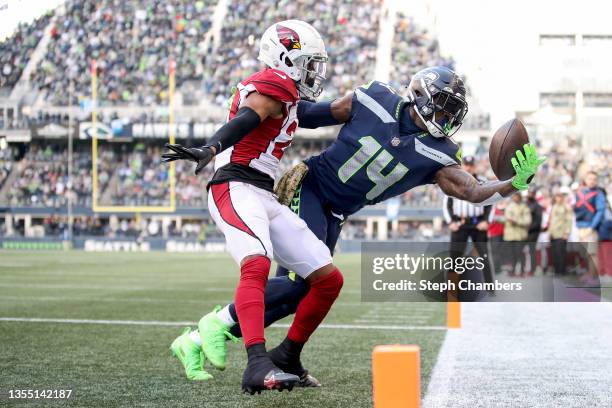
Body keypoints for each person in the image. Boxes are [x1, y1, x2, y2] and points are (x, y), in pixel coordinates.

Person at [190, 67, 546, 382]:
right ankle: (240, 333)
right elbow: (308, 115)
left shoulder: (440, 154)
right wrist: (264, 114)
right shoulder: (374, 98)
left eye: (453, 110)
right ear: (420, 94)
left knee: (310, 288)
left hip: (338, 212)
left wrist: (512, 186)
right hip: (311, 188)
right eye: (442, 104)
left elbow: (471, 190)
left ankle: (253, 344)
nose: (446, 115)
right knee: (305, 284)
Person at [163, 20, 344, 394]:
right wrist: (210, 148)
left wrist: (368, 103)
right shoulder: (272, 84)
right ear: (285, 58)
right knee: (257, 264)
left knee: (328, 279)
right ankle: (257, 364)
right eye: (309, 63)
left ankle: (286, 355)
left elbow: (328, 112)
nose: (315, 71)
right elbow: (249, 117)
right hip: (234, 184)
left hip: (262, 191)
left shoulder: (291, 97)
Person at [443, 155, 494, 291]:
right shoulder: (453, 182)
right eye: (466, 164)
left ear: (475, 166)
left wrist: (486, 221)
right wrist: (451, 222)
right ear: (462, 166)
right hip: (460, 224)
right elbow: (446, 204)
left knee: (483, 256)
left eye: (471, 165)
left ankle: (490, 288)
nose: (468, 167)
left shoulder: (483, 182)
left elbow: (491, 203)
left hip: (478, 224)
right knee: (455, 257)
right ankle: (451, 287)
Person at [574, 171, 606, 278]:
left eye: (594, 179)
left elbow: (600, 211)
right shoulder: (580, 192)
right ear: (585, 180)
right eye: (590, 179)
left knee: (592, 253)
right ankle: (590, 274)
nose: (592, 181)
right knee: (586, 254)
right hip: (580, 227)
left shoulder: (598, 194)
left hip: (591, 227)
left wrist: (592, 227)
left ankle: (595, 277)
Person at [504, 193, 532, 276]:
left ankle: (523, 271)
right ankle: (512, 271)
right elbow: (507, 218)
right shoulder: (509, 207)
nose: (515, 198)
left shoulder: (524, 207)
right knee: (511, 255)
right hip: (510, 235)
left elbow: (528, 221)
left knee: (520, 254)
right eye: (514, 197)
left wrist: (517, 221)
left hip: (520, 235)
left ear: (520, 198)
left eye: (517, 197)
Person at [549, 188, 574, 275]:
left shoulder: (566, 207)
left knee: (561, 253)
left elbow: (569, 220)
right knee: (555, 253)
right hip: (554, 234)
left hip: (561, 233)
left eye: (560, 197)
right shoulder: (554, 206)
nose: (558, 198)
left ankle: (562, 271)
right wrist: (550, 233)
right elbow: (552, 221)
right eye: (557, 197)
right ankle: (557, 271)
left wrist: (567, 233)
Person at [526, 187, 543, 275]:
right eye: (529, 192)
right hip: (524, 231)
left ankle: (532, 269)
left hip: (533, 232)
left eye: (532, 193)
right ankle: (523, 269)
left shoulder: (538, 206)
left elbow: (538, 221)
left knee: (532, 251)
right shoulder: (525, 204)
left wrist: (530, 228)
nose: (530, 194)